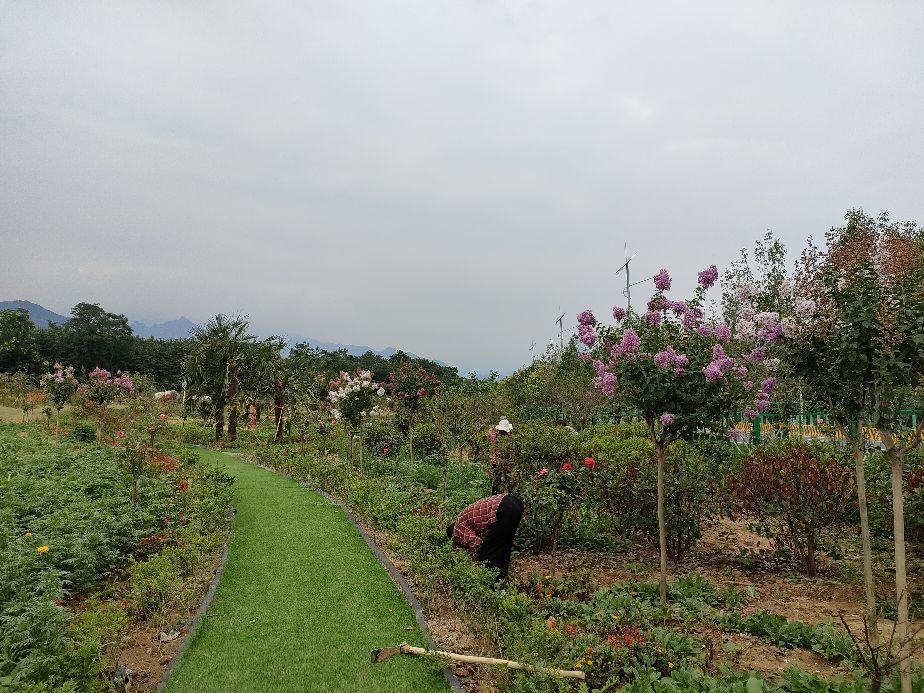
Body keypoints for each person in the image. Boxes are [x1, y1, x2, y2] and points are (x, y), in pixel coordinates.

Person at [446, 493, 524, 581]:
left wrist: (476, 561)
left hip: (503, 508)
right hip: (514, 503)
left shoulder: (457, 530)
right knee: (504, 546)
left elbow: (478, 545)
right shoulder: (464, 519)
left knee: (488, 554)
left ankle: (492, 585)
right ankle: (503, 578)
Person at [488, 417, 513, 494]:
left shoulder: (494, 436)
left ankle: (495, 494)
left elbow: (489, 434)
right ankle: (505, 494)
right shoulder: (507, 438)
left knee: (496, 479)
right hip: (503, 461)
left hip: (495, 461)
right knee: (506, 478)